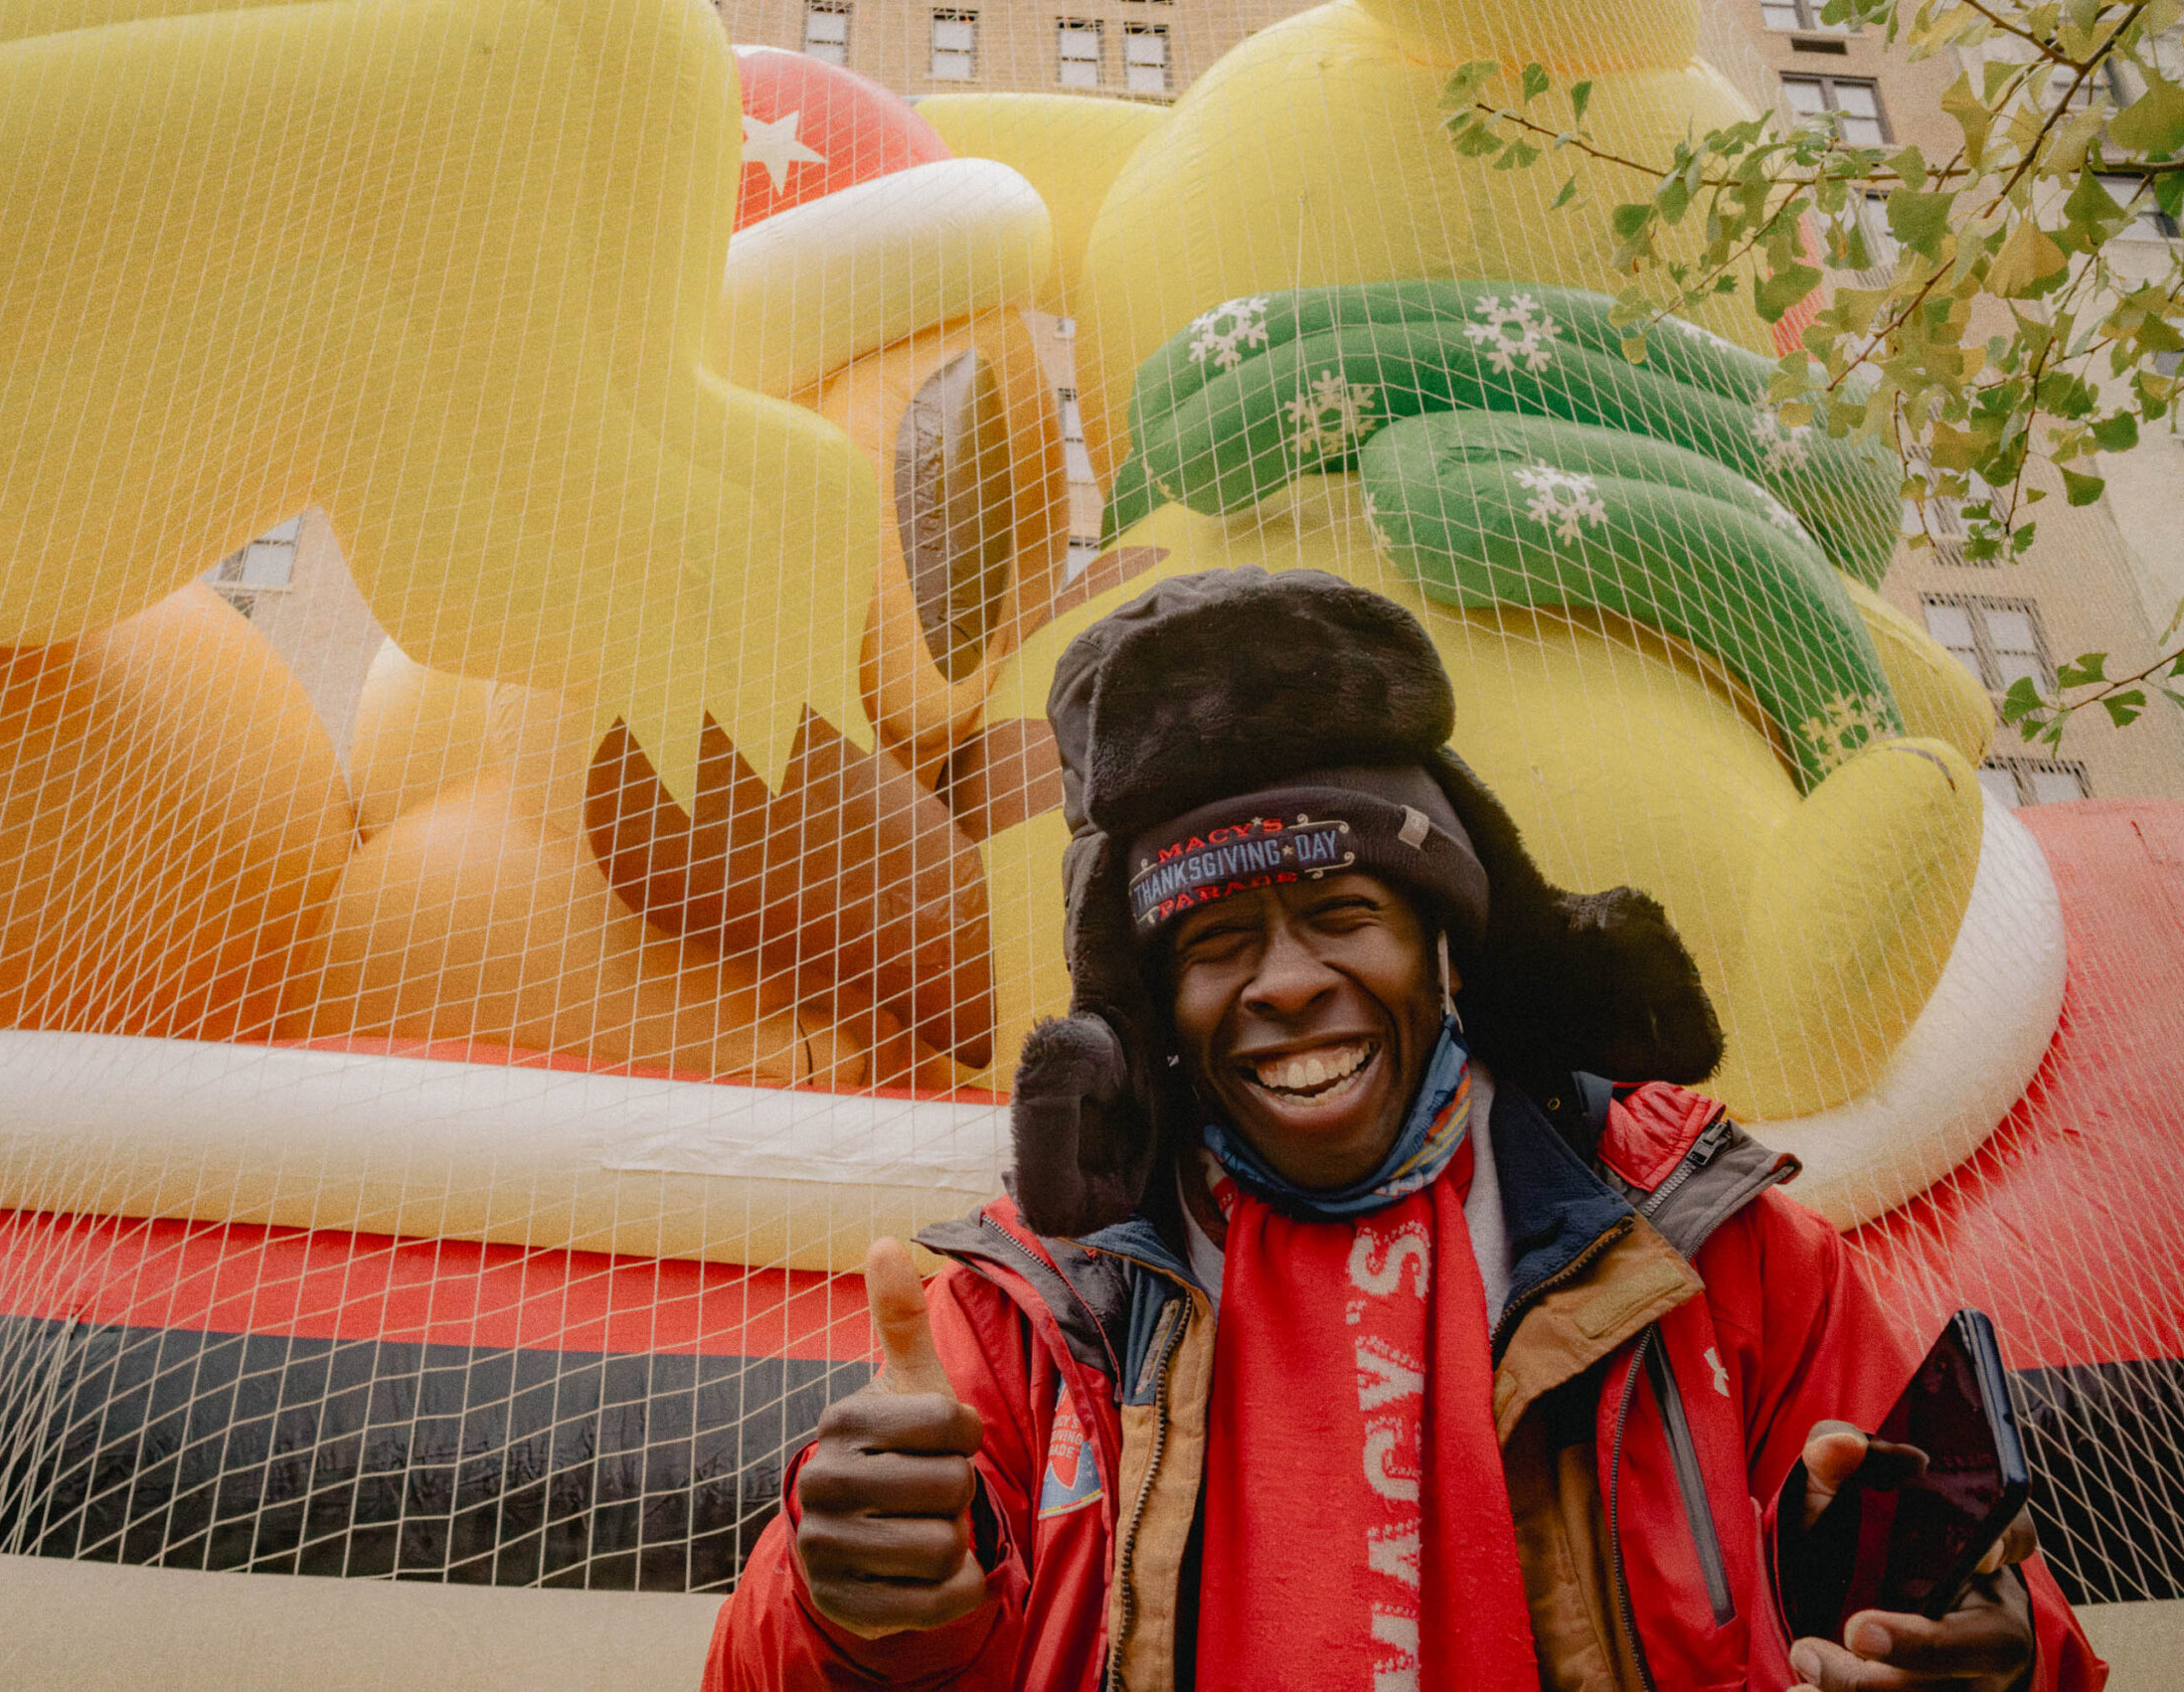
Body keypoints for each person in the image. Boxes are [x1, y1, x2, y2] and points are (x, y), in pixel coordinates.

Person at [704, 569, 2105, 1692]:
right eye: (1219, 939)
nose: (1289, 979)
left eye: (1342, 912)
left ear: (1446, 942)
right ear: (1152, 1005)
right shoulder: (1029, 1310)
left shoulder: (1711, 1248)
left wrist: (1989, 1656)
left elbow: (2004, 1637)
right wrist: (852, 1618)